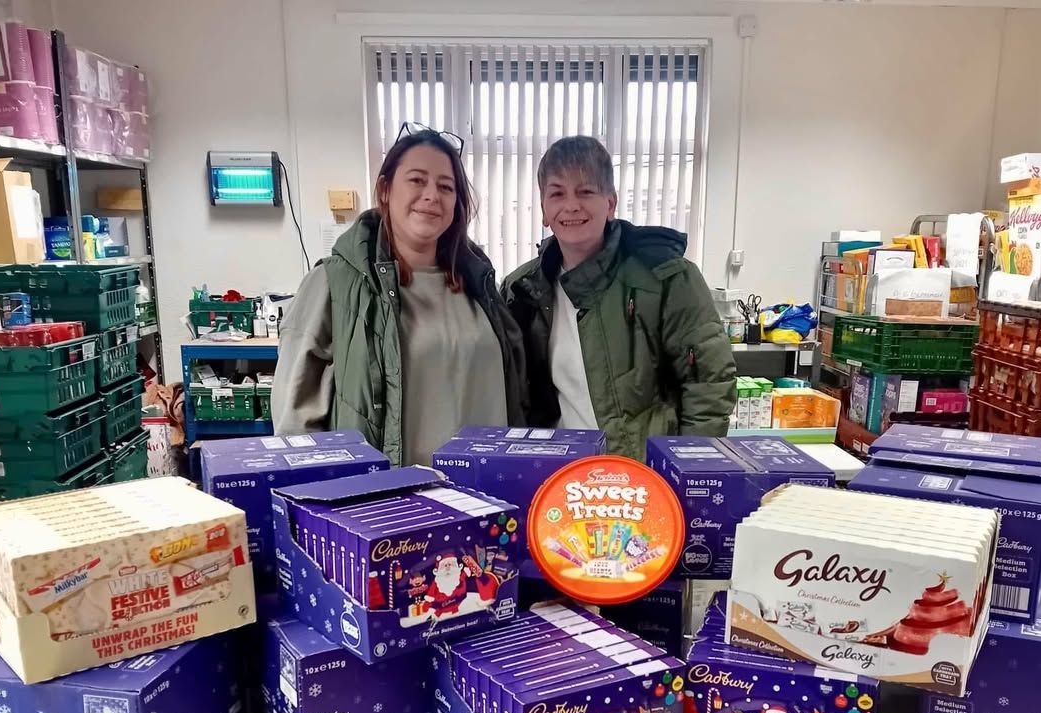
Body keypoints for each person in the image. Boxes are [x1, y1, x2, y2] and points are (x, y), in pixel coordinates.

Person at [273, 125, 527, 465]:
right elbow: (295, 425)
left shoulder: (480, 285)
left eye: (446, 186)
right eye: (417, 180)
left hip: (486, 500)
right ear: (385, 189)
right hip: (389, 504)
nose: (432, 195)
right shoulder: (333, 283)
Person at [503, 135, 736, 460]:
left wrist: (687, 471)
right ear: (544, 209)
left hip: (644, 477)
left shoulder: (667, 277)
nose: (571, 205)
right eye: (557, 193)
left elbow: (709, 386)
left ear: (610, 203)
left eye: (585, 191)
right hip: (558, 475)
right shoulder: (522, 290)